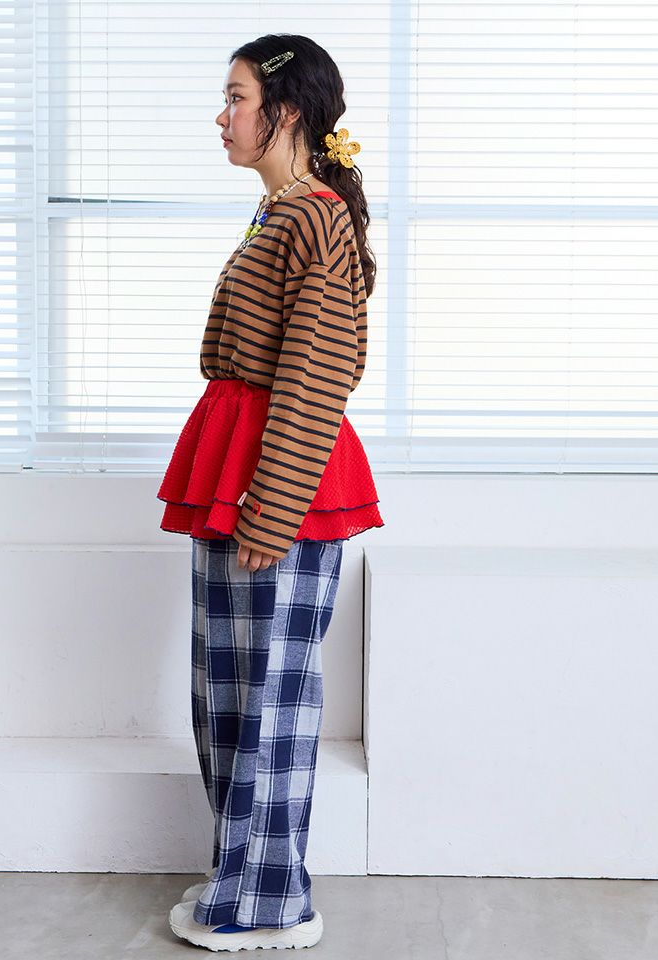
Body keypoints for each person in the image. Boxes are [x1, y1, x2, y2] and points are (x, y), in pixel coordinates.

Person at [159, 33, 384, 952]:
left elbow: (320, 370)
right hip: (236, 471)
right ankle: (244, 873)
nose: (223, 116)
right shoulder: (278, 212)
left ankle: (270, 903)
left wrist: (276, 503)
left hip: (278, 480)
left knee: (270, 700)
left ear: (285, 112)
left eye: (237, 97)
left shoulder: (315, 217)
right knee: (226, 692)